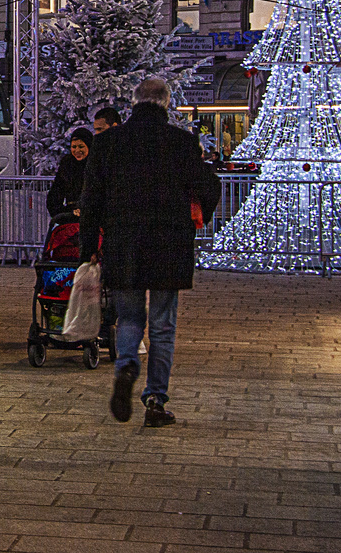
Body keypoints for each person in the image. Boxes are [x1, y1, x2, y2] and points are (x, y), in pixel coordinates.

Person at [80, 77, 219, 429]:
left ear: (134, 102)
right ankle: (156, 399)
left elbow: (91, 197)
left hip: (123, 242)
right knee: (162, 324)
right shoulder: (182, 143)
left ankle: (127, 363)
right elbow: (208, 186)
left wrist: (88, 249)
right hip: (169, 244)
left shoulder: (108, 143)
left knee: (128, 316)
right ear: (166, 103)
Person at [46, 127, 93, 221]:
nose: (77, 150)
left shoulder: (96, 164)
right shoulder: (67, 165)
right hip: (70, 215)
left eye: (81, 146)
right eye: (74, 147)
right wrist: (62, 212)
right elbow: (55, 193)